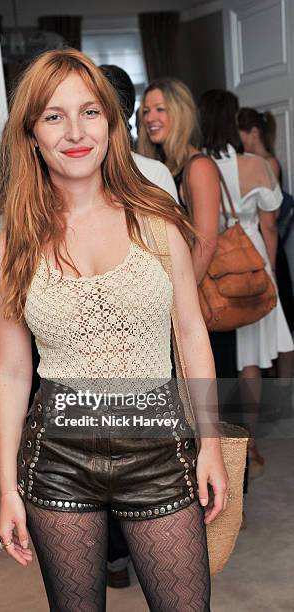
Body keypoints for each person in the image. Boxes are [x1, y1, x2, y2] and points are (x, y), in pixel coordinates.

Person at [0, 48, 228, 612]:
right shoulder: (11, 249)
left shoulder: (158, 220)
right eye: (54, 116)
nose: (75, 131)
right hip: (58, 461)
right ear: (31, 136)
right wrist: (6, 489)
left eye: (90, 112)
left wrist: (211, 444)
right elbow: (11, 369)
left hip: (156, 448)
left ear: (111, 125)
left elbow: (192, 336)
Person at [137, 77, 246, 517]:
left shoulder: (197, 167)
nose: (150, 118)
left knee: (215, 412)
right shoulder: (150, 168)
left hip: (201, 307)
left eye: (160, 109)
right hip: (178, 305)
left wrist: (175, 300)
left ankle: (230, 502)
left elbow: (206, 242)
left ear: (180, 113)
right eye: (145, 111)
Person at [98, 64, 179, 589]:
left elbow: (176, 263)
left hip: (145, 345)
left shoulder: (154, 177)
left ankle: (120, 551)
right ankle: (117, 550)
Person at [199, 90, 294, 476]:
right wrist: (266, 272)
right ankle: (250, 440)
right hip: (250, 259)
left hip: (212, 264)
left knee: (219, 359)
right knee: (251, 361)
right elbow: (270, 224)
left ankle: (222, 443)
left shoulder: (195, 166)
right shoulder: (255, 164)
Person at [238, 107, 294, 336]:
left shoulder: (268, 163)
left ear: (253, 133)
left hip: (268, 240)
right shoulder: (253, 163)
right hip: (260, 239)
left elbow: (271, 215)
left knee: (280, 309)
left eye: (240, 132)